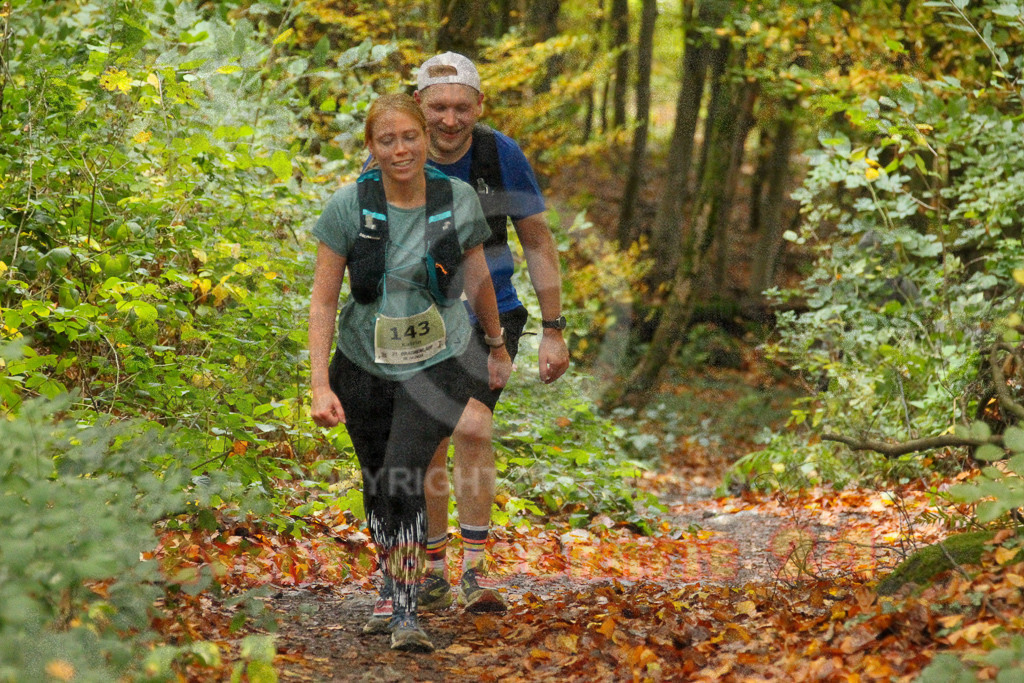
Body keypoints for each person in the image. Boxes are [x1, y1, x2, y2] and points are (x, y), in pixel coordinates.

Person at [308, 93, 512, 653]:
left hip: (439, 365)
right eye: (387, 140)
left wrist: (495, 347)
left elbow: (478, 280)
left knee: (403, 472)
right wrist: (320, 383)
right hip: (361, 365)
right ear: (371, 148)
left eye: (409, 137)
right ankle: (391, 580)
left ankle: (405, 610)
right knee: (379, 483)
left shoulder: (458, 199)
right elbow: (324, 301)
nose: (401, 149)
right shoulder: (348, 206)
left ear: (426, 138)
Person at [412, 52, 570, 613]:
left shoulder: (498, 153)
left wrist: (554, 328)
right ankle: (432, 569)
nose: (450, 120)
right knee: (428, 437)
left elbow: (537, 241)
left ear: (479, 106)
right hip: (417, 315)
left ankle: (475, 572)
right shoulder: (394, 148)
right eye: (438, 108)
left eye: (461, 107)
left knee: (473, 427)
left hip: (492, 312)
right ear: (418, 106)